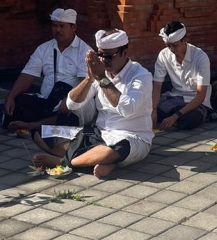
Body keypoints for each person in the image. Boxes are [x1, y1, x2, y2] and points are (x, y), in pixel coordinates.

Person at [32, 29, 153, 179]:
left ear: (124, 53)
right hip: (97, 134)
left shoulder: (141, 76)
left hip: (131, 137)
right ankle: (100, 161)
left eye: (109, 56)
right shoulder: (100, 72)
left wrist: (102, 78)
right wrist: (89, 79)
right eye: (100, 55)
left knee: (117, 149)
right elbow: (72, 104)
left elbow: (127, 109)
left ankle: (65, 162)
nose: (103, 60)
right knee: (40, 132)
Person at [2, 8, 90, 130]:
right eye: (54, 26)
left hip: (68, 102)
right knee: (18, 101)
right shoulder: (44, 48)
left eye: (62, 26)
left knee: (75, 113)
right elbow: (27, 75)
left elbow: (85, 83)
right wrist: (11, 97)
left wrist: (71, 99)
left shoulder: (84, 51)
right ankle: (40, 124)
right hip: (46, 102)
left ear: (73, 27)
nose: (57, 30)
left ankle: (35, 125)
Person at [152, 22, 212, 131]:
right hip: (174, 98)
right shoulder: (163, 55)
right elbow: (157, 87)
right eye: (168, 45)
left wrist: (176, 116)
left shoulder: (200, 57)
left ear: (185, 40)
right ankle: (171, 119)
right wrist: (153, 110)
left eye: (175, 45)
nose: (171, 50)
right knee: (146, 113)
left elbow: (200, 96)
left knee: (189, 120)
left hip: (195, 102)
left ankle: (177, 118)